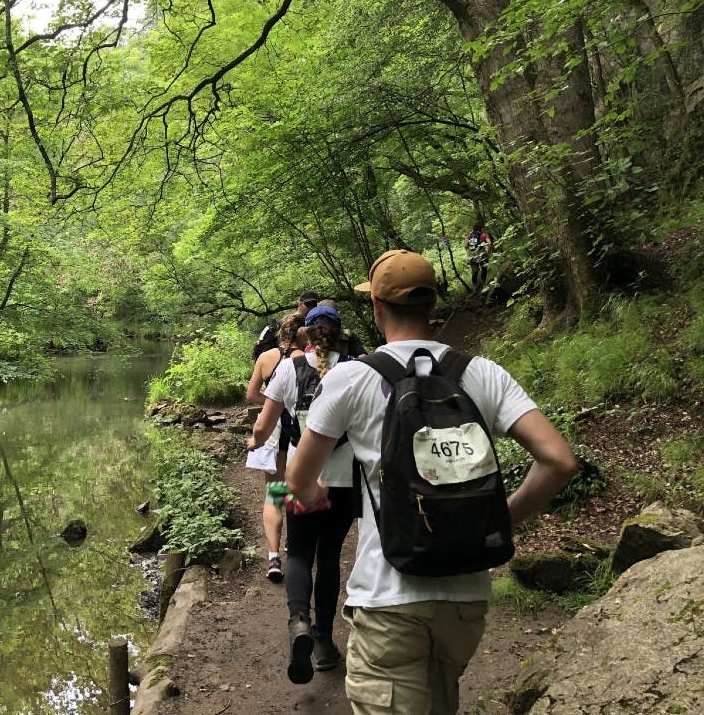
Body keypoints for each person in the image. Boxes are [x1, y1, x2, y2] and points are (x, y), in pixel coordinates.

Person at [286, 249, 577, 715]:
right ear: (434, 307)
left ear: (377, 309)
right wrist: (501, 520)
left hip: (387, 594)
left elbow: (298, 479)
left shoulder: (350, 379)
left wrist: (315, 493)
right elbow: (559, 461)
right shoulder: (482, 373)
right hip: (465, 596)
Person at [246, 305, 356, 683]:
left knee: (299, 552)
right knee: (329, 556)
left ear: (306, 336)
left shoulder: (289, 371)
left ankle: (299, 623)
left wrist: (253, 441)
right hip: (344, 480)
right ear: (341, 333)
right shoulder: (357, 368)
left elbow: (264, 426)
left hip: (300, 476)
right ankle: (324, 641)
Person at [245, 312, 307, 582]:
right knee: (294, 490)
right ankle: (294, 546)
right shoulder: (306, 360)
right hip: (299, 431)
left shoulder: (266, 358)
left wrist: (272, 401)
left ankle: (273, 557)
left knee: (274, 493)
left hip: (273, 431)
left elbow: (251, 395)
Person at [465, 222, 492, 291]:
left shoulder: (469, 235)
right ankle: (483, 285)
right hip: (482, 254)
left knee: (475, 271)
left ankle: (475, 287)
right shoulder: (484, 235)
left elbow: (465, 246)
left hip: (472, 255)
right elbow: (489, 243)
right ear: (481, 228)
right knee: (484, 269)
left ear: (473, 228)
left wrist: (470, 252)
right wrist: (488, 252)